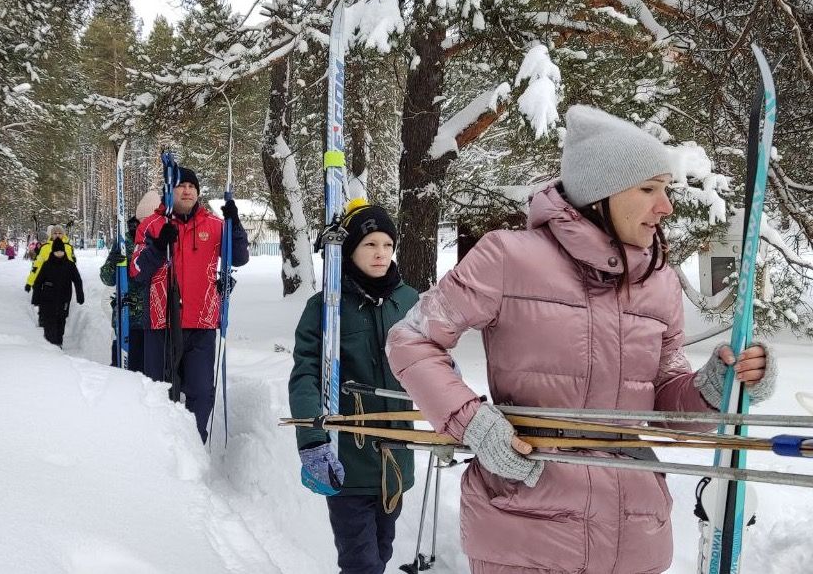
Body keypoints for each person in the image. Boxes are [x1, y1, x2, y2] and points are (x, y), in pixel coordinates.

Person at [385, 105, 776, 574]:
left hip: (634, 534)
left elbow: (667, 408)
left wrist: (716, 388)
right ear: (601, 195)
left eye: (666, 190)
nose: (665, 206)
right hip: (526, 526)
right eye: (649, 189)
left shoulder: (660, 282)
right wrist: (470, 421)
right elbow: (411, 339)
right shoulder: (509, 257)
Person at [289, 199, 418, 574]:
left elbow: (429, 360)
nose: (381, 254)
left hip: (396, 459)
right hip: (347, 458)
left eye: (387, 245)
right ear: (350, 250)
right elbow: (306, 373)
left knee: (381, 551)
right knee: (360, 563)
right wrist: (313, 440)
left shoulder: (409, 301)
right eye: (370, 245)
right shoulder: (326, 306)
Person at [131, 167, 250, 443]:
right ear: (170, 191)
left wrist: (235, 223)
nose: (187, 190)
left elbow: (239, 257)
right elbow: (137, 272)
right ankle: (160, 448)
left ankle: (195, 447)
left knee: (201, 391)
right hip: (162, 323)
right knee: (159, 391)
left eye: (192, 186)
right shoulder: (151, 225)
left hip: (202, 324)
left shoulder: (214, 225)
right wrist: (158, 248)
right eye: (181, 185)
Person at [99, 215, 145, 371]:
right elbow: (107, 278)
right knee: (123, 368)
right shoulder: (122, 243)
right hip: (126, 319)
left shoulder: (156, 239)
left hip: (152, 322)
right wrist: (113, 261)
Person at [31, 237, 84, 346]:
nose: (59, 254)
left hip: (64, 298)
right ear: (53, 252)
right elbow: (38, 282)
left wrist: (80, 295)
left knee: (61, 321)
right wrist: (36, 298)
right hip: (48, 299)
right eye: (57, 251)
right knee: (49, 322)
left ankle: (58, 343)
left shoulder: (70, 265)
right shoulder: (47, 265)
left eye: (61, 251)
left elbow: (77, 281)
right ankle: (51, 345)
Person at [24, 224, 75, 292]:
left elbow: (72, 267)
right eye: (55, 233)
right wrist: (30, 282)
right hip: (48, 283)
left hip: (63, 284)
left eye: (60, 233)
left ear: (63, 234)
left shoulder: (68, 247)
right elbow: (37, 266)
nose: (57, 235)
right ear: (51, 234)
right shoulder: (45, 248)